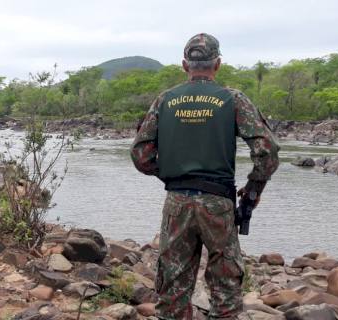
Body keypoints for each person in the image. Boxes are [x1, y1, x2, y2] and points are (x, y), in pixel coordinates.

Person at [130, 33, 280, 319]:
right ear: (218, 64)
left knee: (172, 284)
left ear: (185, 65)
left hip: (177, 203)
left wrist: (172, 176)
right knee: (225, 283)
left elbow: (140, 154)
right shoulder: (232, 99)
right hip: (218, 203)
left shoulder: (165, 100)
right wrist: (253, 190)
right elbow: (268, 150)